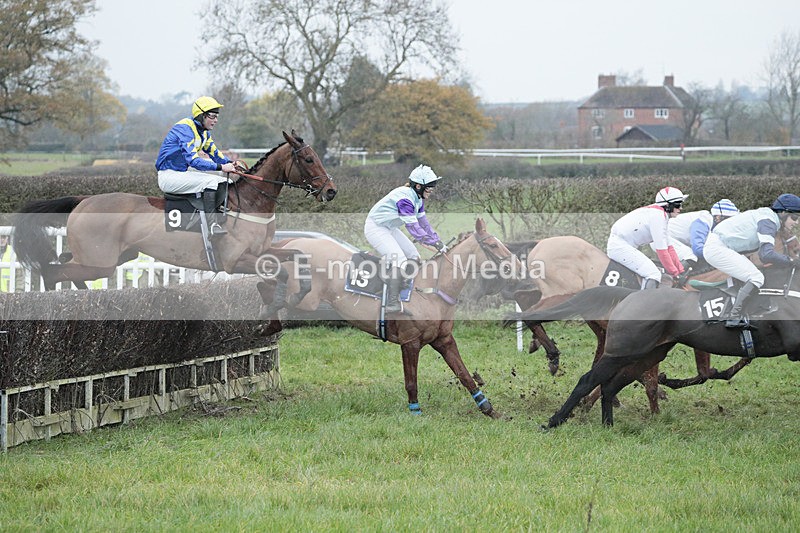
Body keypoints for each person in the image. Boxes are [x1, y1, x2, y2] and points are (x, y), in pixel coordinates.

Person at [703, 193, 800, 328]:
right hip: (717, 248)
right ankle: (733, 317)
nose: (796, 222)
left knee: (755, 274)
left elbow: (763, 256)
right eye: (794, 217)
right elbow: (766, 254)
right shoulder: (768, 221)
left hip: (721, 247)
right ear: (783, 212)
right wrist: (792, 261)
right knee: (756, 277)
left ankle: (742, 311)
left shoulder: (768, 218)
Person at [155, 96, 243, 237]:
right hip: (169, 176)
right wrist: (222, 167)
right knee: (211, 181)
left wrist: (230, 163)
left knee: (227, 181)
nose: (216, 120)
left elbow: (215, 153)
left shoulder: (204, 132)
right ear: (201, 115)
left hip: (182, 173)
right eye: (213, 116)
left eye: (217, 116)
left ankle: (222, 216)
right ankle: (212, 225)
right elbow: (194, 161)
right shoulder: (185, 129)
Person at [364, 165, 446, 313]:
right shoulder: (405, 199)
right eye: (429, 188)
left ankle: (404, 294)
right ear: (418, 186)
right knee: (400, 260)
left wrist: (439, 241)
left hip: (389, 228)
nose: (431, 192)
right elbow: (414, 228)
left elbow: (424, 224)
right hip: (375, 227)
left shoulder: (418, 199)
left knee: (414, 256)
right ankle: (392, 303)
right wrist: (433, 242)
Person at [607, 186, 687, 289]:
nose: (680, 208)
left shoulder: (661, 215)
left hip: (625, 245)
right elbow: (662, 252)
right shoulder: (658, 217)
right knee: (654, 274)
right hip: (620, 246)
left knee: (657, 271)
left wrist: (681, 270)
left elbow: (669, 248)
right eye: (677, 205)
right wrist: (675, 273)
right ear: (667, 205)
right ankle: (644, 304)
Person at [651, 198, 739, 264]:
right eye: (729, 219)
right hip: (660, 238)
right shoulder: (703, 221)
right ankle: (678, 281)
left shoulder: (713, 225)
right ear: (718, 217)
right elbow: (698, 249)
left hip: (669, 237)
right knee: (690, 256)